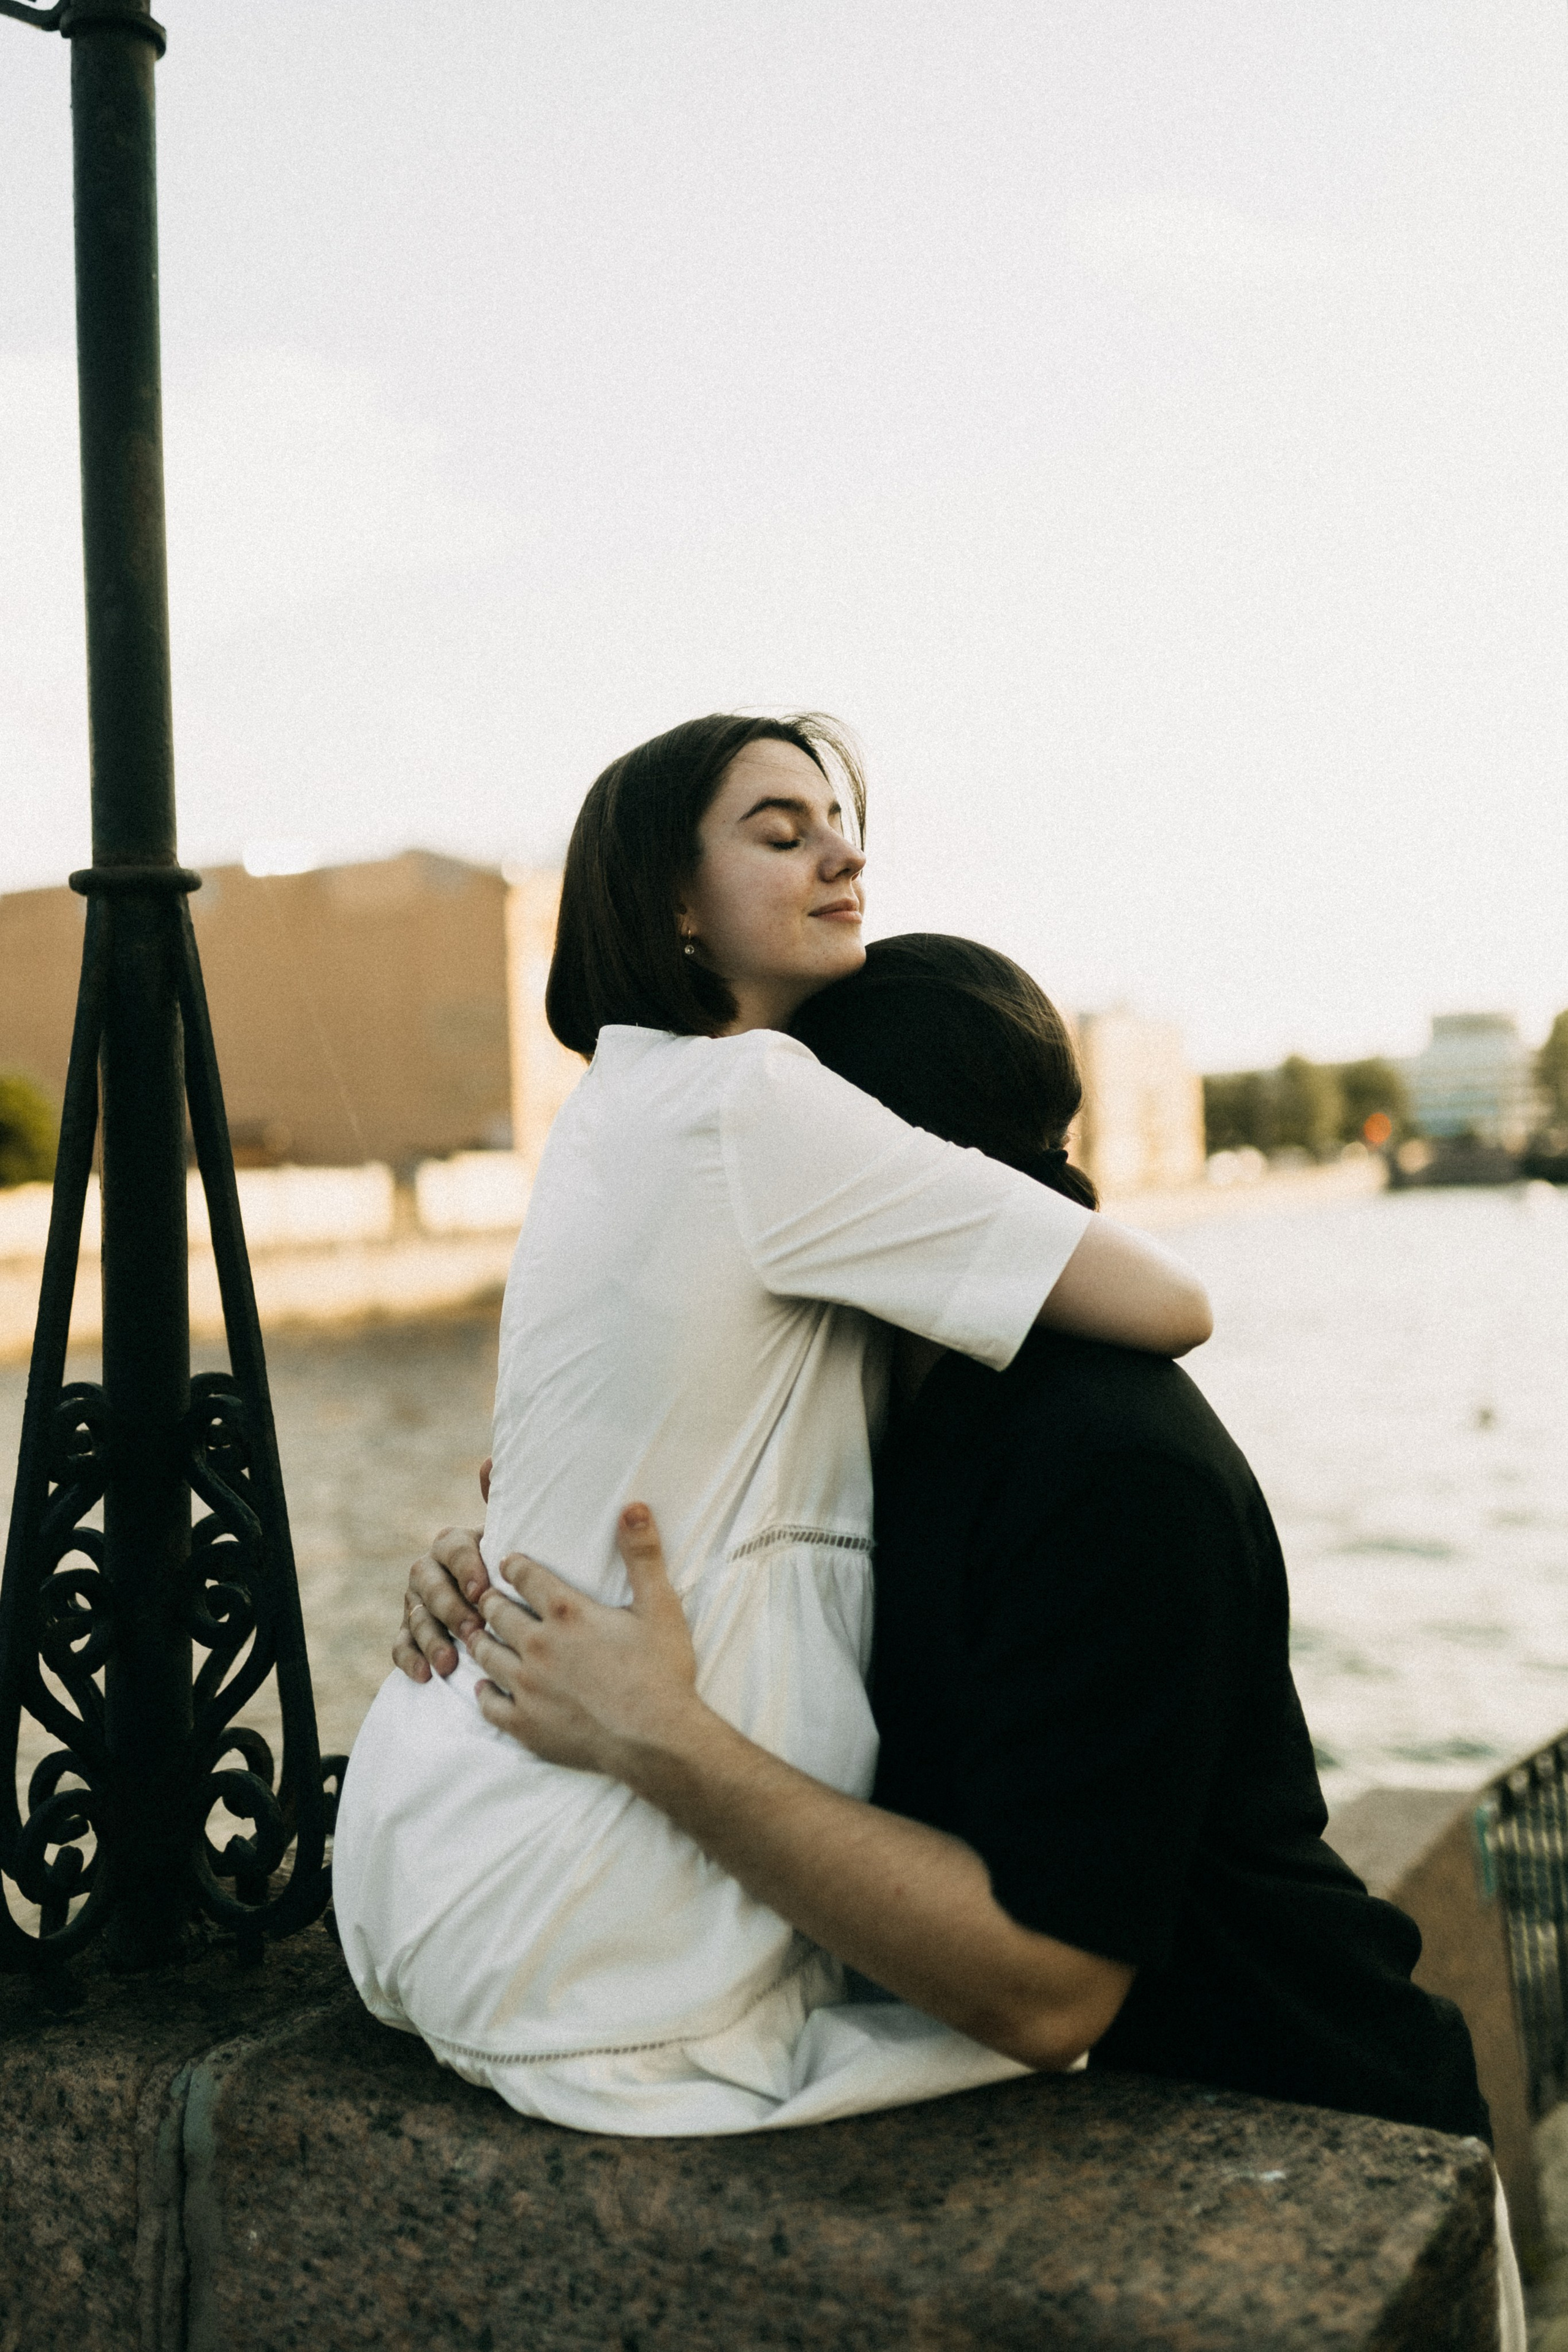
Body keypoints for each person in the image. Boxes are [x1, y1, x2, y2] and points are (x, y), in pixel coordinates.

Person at [396, 933, 1522, 2348]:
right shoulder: (876, 1415)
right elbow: (677, 1573)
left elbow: (1048, 1987)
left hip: (1313, 2168)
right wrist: (490, 1577)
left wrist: (660, 1739)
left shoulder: (1104, 1465)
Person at [332, 716, 1211, 2137]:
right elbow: (1169, 1303)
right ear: (673, 905)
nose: (841, 853)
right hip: (585, 1934)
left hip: (426, 1843)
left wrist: (474, 1537)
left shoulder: (614, 1109)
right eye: (779, 831)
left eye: (838, 824)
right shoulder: (752, 1098)